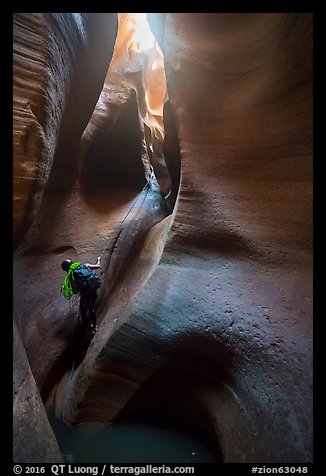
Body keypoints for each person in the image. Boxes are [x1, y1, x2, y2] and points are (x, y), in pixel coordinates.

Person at [61, 257, 101, 334]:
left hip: (86, 295)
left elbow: (75, 291)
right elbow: (98, 266)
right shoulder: (85, 265)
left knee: (83, 312)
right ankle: (95, 326)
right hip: (94, 291)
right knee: (91, 309)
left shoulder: (72, 275)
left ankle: (90, 329)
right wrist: (98, 260)